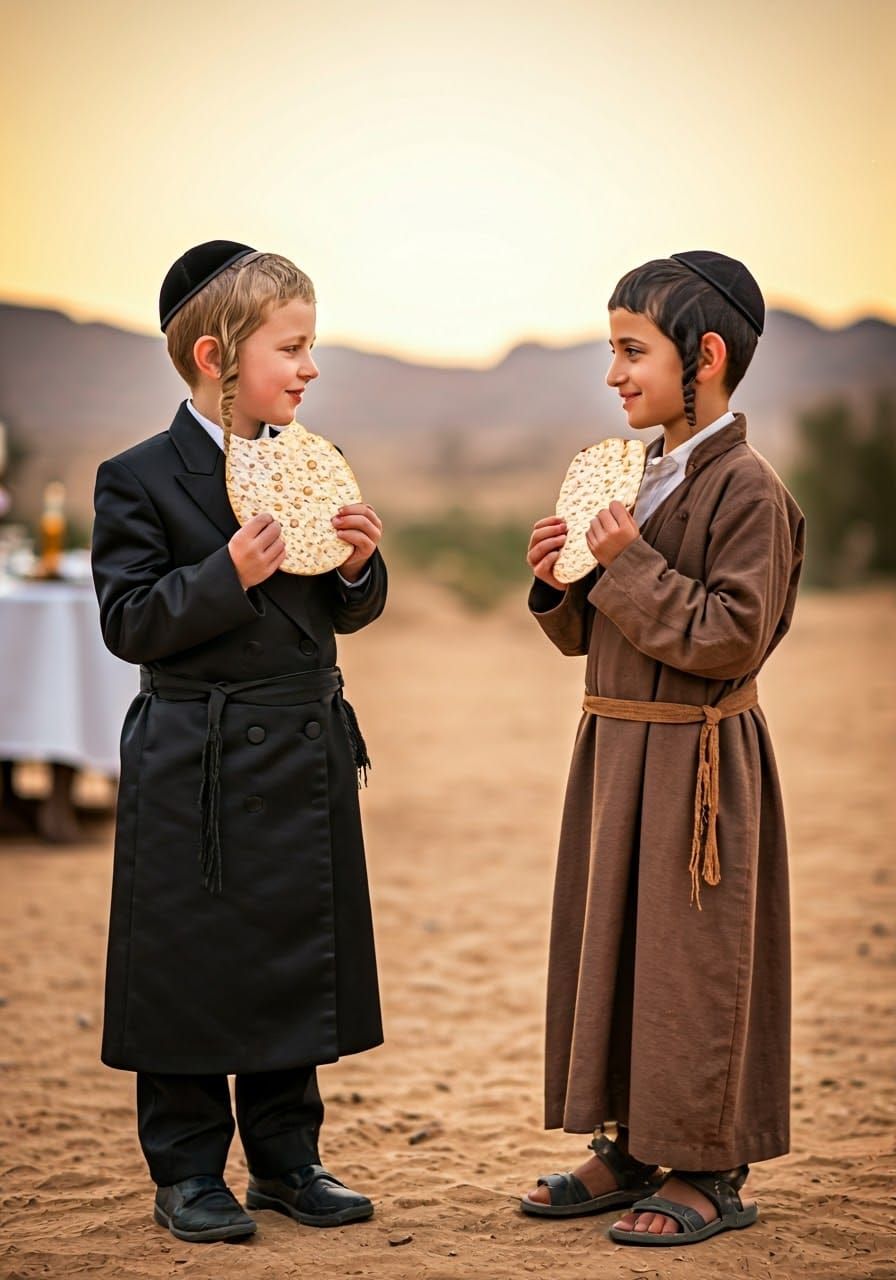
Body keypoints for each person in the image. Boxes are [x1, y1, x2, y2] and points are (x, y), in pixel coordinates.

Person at [92, 241, 387, 1244]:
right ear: (216, 356)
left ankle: (286, 1160)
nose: (310, 369)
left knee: (286, 953)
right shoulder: (137, 477)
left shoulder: (311, 460)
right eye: (291, 348)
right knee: (186, 961)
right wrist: (227, 574)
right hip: (195, 755)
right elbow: (128, 620)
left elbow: (342, 613)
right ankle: (186, 1171)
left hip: (302, 748)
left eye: (310, 347)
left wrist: (356, 566)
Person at [520, 251, 805, 1247]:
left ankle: (710, 1167)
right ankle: (633, 1144)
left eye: (631, 351)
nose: (613, 374)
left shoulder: (749, 490)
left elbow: (729, 635)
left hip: (698, 766)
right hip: (616, 753)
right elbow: (598, 632)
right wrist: (562, 582)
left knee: (692, 964)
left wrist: (622, 561)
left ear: (705, 356)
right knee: (620, 949)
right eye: (612, 351)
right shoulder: (636, 477)